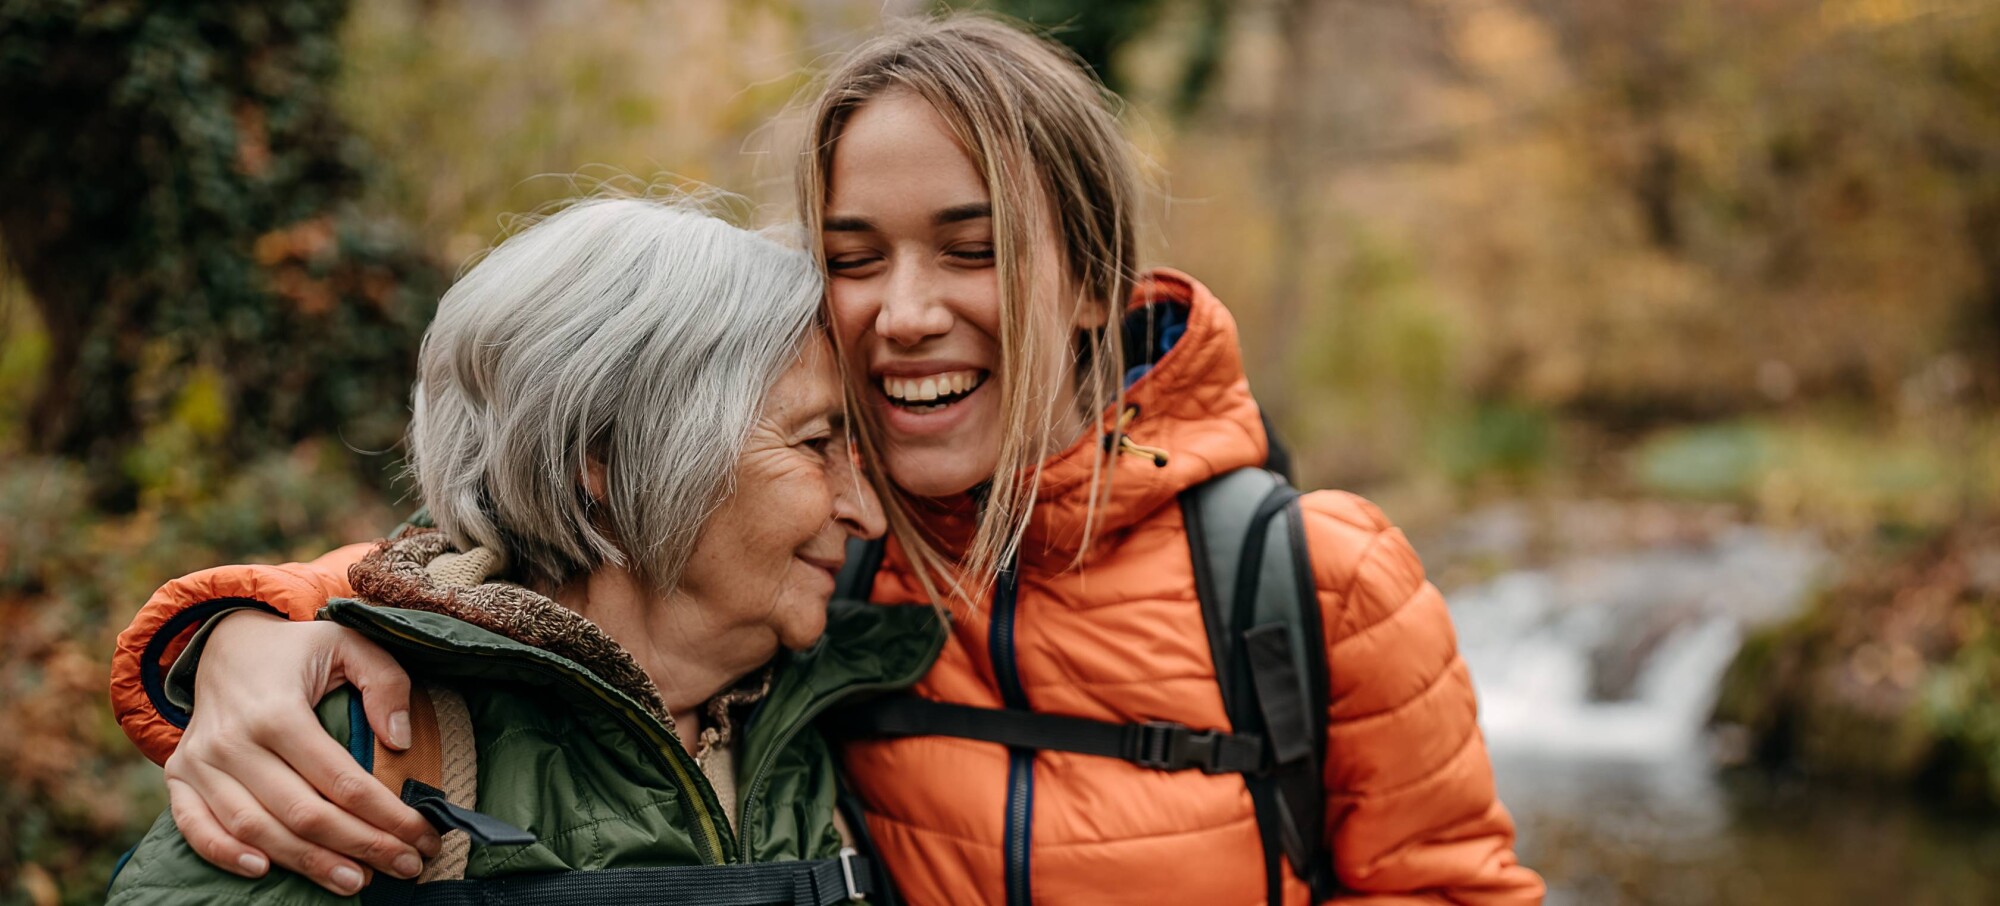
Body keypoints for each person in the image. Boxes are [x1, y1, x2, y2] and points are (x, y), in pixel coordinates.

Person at [108, 15, 1546, 904]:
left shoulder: (1306, 573)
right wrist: (246, 627)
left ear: (1100, 277)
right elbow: (509, 577)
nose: (906, 310)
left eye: (973, 248)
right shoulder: (812, 554)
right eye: (854, 258)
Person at [106, 197, 940, 903]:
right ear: (610, 458)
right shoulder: (352, 752)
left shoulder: (825, 726)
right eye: (815, 443)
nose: (865, 511)